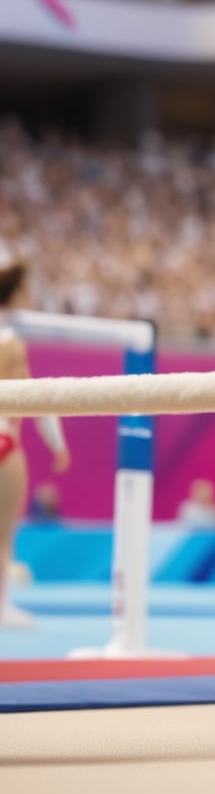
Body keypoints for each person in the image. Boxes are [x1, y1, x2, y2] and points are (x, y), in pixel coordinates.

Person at [0, 260, 70, 626]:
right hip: (4, 444)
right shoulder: (11, 344)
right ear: (17, 295)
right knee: (2, 531)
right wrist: (57, 444)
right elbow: (34, 399)